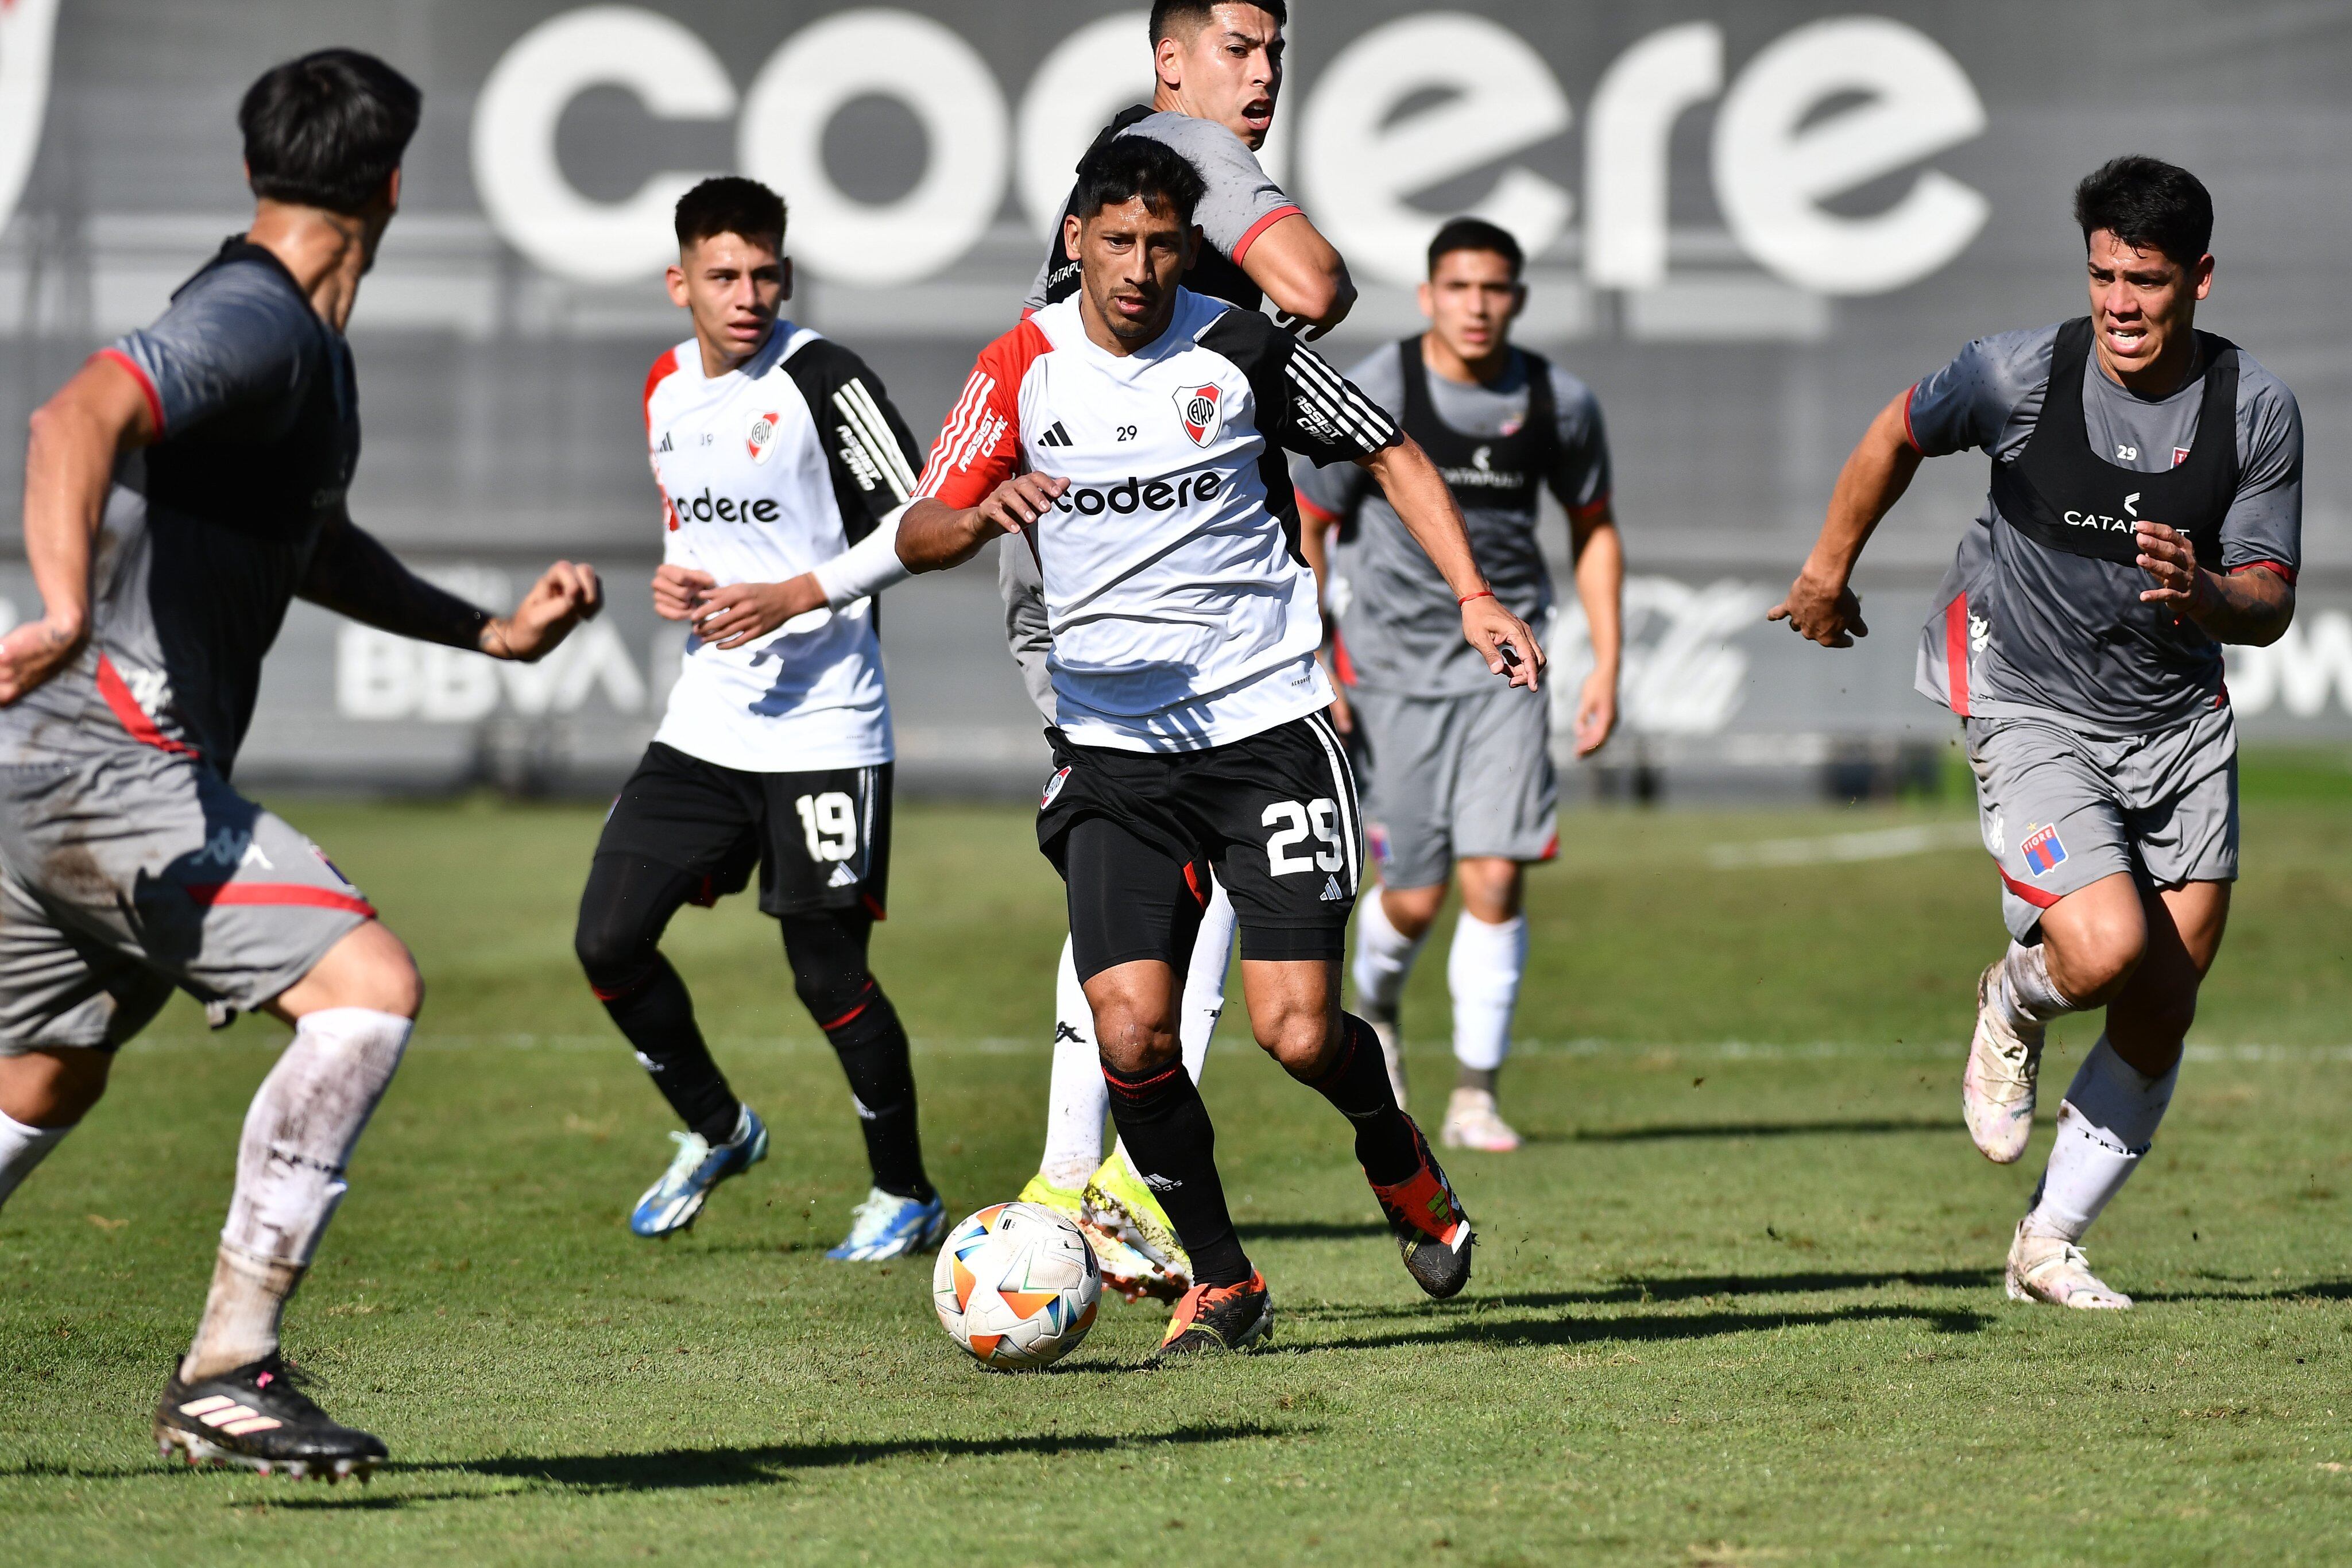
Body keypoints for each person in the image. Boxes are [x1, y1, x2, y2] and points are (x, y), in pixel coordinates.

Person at [0, 50, 602, 1477]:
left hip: (56, 775)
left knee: (40, 1079)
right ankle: (228, 1365)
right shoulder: (254, 319)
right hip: (112, 764)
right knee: (366, 995)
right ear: (391, 186)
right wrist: (68, 605)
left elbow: (309, 543)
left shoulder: (295, 348)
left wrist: (489, 634)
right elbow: (74, 415)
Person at [895, 135, 1542, 1356]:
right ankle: (1223, 1277)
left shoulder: (1242, 349)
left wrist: (1470, 592)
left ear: (1188, 247)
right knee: (1130, 1031)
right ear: (1074, 237)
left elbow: (1391, 450)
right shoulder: (1019, 361)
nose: (1138, 268)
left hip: (1266, 736)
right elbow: (921, 521)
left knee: (1294, 1031)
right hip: (1110, 755)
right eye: (1116, 241)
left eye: (1163, 245)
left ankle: (1394, 1150)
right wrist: (976, 513)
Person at [1771, 156, 2300, 1311]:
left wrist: (2207, 596)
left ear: (2197, 279)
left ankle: (2044, 1244)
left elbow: (2267, 598)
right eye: (2103, 274)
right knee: (2102, 951)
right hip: (2025, 696)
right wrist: (1825, 569)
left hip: (2174, 722)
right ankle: (2009, 1000)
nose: (2120, 302)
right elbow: (1895, 431)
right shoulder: (2015, 372)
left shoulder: (2250, 408)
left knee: (2163, 996)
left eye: (2146, 280)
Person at [1002, 0, 1360, 1301]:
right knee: (1167, 833)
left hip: (1077, 554)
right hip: (1122, 578)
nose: (1261, 75)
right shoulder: (1194, 155)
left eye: (1276, 54)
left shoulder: (1131, 173)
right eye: (1239, 47)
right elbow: (1315, 284)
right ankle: (1110, 1186)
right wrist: (1248, 354)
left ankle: (1072, 1173)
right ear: (1172, 63)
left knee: (1129, 846)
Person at [570, 177, 946, 1262]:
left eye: (766, 274)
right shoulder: (663, 388)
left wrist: (796, 595)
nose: (748, 296)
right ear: (677, 280)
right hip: (709, 721)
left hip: (828, 726)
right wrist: (678, 584)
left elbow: (918, 526)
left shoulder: (823, 377)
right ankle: (719, 1129)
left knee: (826, 977)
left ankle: (905, 1194)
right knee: (607, 942)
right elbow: (698, 527)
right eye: (724, 276)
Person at [1296, 218, 1623, 1151]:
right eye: (1460, 288)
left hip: (1505, 668)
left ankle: (1476, 1092)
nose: (1477, 306)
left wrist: (1608, 660)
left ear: (1516, 299)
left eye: (1496, 290)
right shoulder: (1379, 389)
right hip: (1390, 669)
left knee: (1496, 875)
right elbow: (1313, 525)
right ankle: (1380, 1012)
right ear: (1429, 296)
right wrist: (1317, 655)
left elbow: (1594, 528)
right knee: (1416, 892)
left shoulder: (1558, 403)